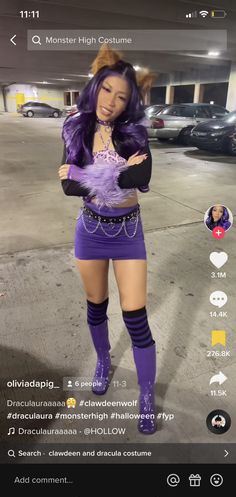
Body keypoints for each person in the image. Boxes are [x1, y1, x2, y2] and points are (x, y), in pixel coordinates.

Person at [58, 44, 157, 434]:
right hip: (91, 231)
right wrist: (108, 178)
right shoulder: (74, 127)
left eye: (121, 97)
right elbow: (68, 186)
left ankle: (146, 395)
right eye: (106, 91)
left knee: (136, 318)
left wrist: (89, 177)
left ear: (129, 102)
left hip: (129, 232)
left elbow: (141, 180)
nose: (111, 102)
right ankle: (103, 362)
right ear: (95, 86)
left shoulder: (134, 133)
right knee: (96, 306)